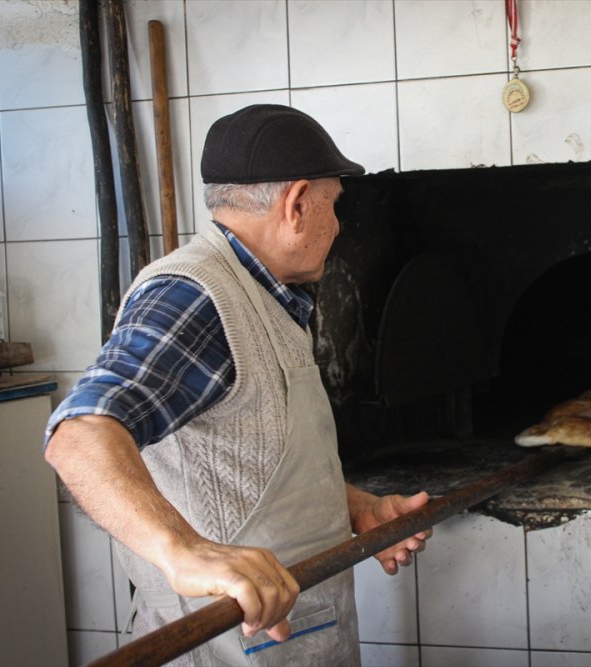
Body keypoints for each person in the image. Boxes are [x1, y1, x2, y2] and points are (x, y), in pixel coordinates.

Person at [44, 104, 431, 666]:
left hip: (293, 636)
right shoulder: (194, 294)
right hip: (223, 647)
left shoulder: (268, 296)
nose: (339, 225)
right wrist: (185, 551)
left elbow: (247, 464)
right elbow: (79, 433)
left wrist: (354, 508)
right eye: (335, 205)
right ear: (297, 203)